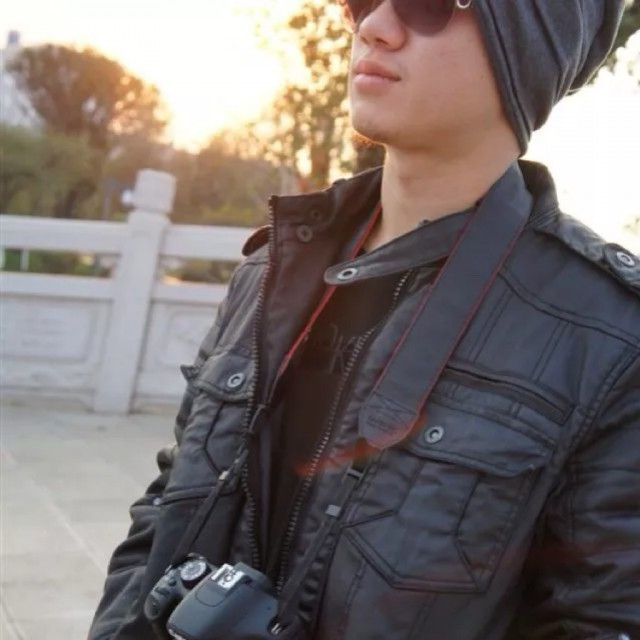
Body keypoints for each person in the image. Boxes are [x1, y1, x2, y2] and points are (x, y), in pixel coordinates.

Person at [89, 1, 640, 638]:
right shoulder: (271, 269)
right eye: (362, 2)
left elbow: (602, 616)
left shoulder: (608, 337)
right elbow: (165, 510)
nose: (373, 27)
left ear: (527, 51)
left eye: (428, 5)